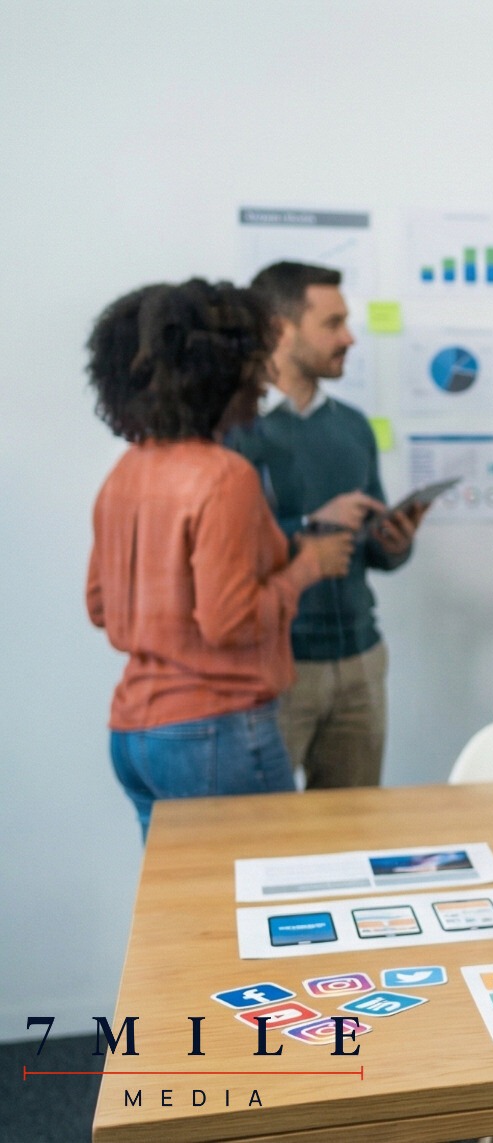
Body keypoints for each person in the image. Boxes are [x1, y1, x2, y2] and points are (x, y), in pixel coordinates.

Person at [85, 279, 353, 834]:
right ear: (223, 371)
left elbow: (100, 605)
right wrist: (306, 568)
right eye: (256, 361)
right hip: (215, 730)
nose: (264, 378)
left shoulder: (128, 468)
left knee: (187, 912)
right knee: (265, 908)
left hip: (134, 735)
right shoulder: (224, 475)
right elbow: (228, 621)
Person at [227, 262, 427, 789]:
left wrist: (394, 542)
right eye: (333, 324)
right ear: (280, 329)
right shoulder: (236, 429)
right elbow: (224, 551)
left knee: (356, 835)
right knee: (259, 835)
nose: (349, 338)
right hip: (276, 669)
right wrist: (309, 524)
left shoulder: (353, 427)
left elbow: (376, 554)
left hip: (361, 663)